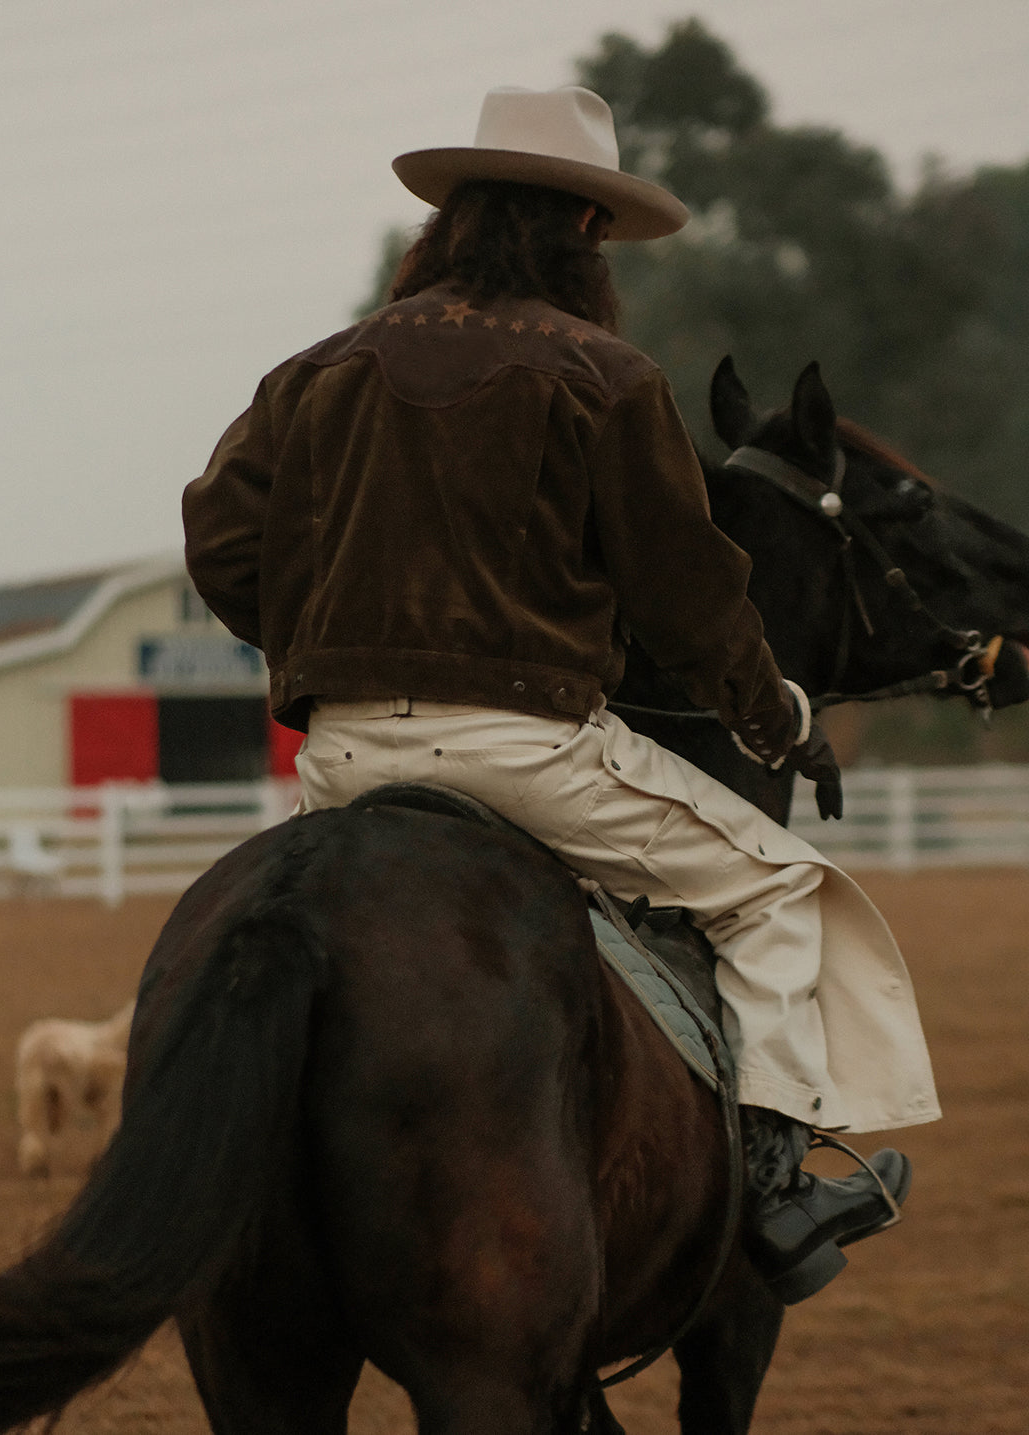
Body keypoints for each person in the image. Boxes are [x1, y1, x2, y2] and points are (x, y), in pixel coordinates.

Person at [182, 84, 939, 1304]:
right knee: (785, 894)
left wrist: (324, 646)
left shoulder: (315, 370)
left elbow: (220, 541)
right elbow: (691, 595)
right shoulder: (604, 375)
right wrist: (772, 715)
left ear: (454, 219)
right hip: (524, 755)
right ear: (587, 230)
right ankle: (783, 1188)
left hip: (339, 766)